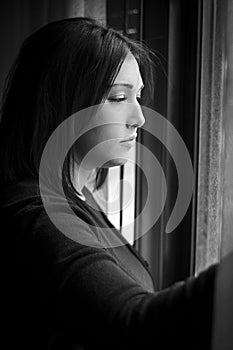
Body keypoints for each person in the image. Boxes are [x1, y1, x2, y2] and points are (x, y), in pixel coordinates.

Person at [0, 17, 232, 350]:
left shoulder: (75, 200)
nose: (139, 117)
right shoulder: (36, 214)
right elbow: (131, 324)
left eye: (138, 97)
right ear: (63, 102)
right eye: (118, 98)